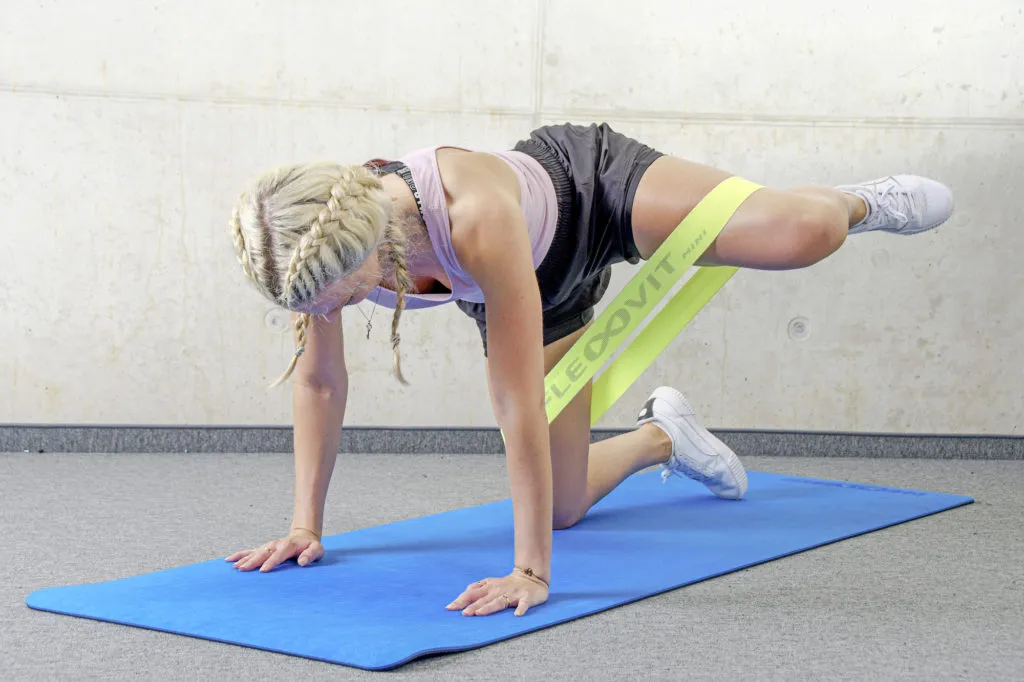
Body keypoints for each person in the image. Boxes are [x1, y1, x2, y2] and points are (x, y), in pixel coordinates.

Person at [223, 122, 954, 617]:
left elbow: (518, 404)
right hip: (541, 291)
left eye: (332, 295)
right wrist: (304, 526)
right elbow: (320, 380)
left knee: (802, 233)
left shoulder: (470, 215)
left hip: (589, 191)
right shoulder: (313, 254)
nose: (324, 311)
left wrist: (530, 572)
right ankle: (663, 436)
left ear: (365, 246)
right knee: (562, 506)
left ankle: (858, 201)